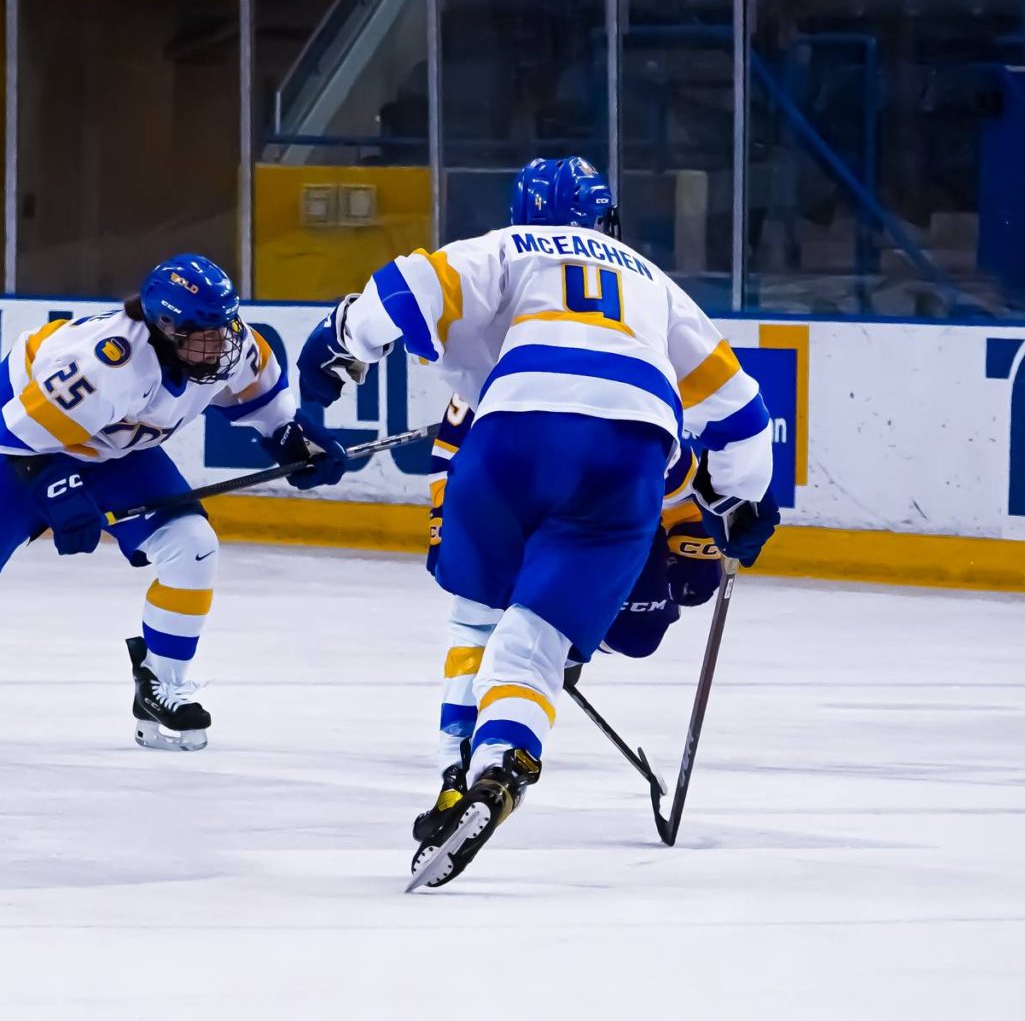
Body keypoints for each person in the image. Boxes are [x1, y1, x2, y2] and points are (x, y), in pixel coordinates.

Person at [295, 155, 780, 889]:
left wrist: (339, 347)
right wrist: (740, 496)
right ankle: (504, 764)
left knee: (475, 615)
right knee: (535, 643)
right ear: (609, 222)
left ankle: (458, 769)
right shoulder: (655, 282)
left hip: (511, 441)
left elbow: (406, 288)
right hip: (627, 461)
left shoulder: (506, 246)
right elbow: (743, 411)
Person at [0, 253, 345, 749]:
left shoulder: (231, 343)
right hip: (18, 452)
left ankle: (162, 687)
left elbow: (265, 407)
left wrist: (294, 441)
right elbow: (16, 435)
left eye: (226, 325)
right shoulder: (107, 363)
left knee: (193, 546)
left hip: (115, 451)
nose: (222, 344)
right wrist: (59, 492)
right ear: (165, 327)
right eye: (205, 333)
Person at [418, 398, 725, 810]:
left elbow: (682, 469)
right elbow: (451, 443)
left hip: (610, 499)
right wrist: (443, 517)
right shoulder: (503, 342)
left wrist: (697, 536)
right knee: (479, 620)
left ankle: (553, 646)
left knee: (638, 634)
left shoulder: (639, 355)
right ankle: (457, 765)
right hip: (510, 492)